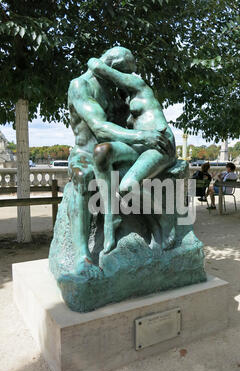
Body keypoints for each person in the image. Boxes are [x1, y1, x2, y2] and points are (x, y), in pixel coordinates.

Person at [67, 47, 174, 275]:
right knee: (82, 176)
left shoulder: (117, 92)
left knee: (126, 171)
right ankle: (82, 255)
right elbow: (99, 127)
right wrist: (141, 136)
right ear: (112, 69)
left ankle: (149, 223)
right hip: (86, 153)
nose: (126, 79)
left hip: (118, 149)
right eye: (125, 72)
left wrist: (146, 137)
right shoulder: (81, 85)